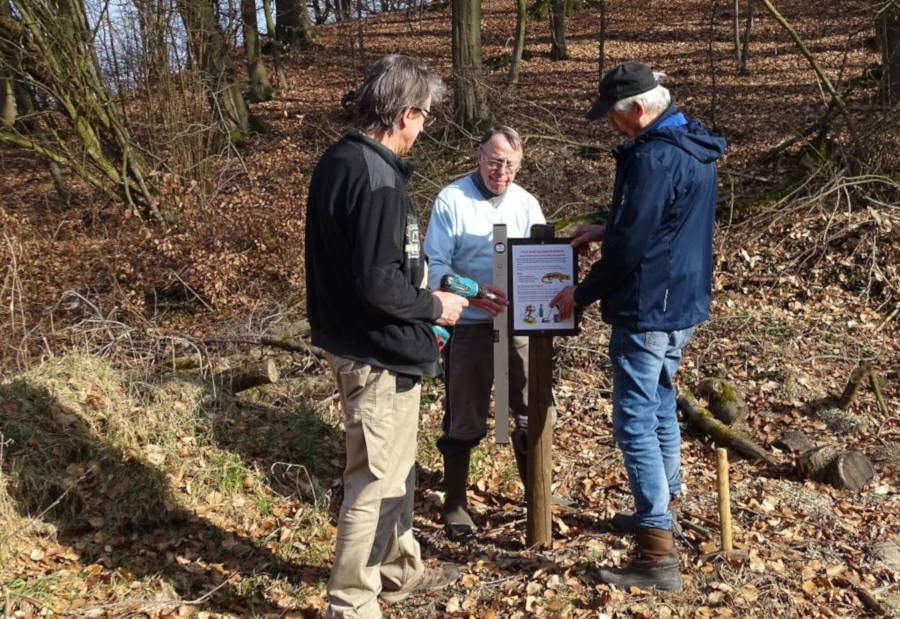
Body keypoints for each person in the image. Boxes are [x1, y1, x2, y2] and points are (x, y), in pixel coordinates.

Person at [551, 61, 726, 591]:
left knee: (632, 422)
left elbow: (632, 248)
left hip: (650, 306)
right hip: (682, 302)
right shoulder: (690, 144)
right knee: (659, 405)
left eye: (613, 115)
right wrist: (605, 228)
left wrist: (579, 294)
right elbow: (662, 222)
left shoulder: (652, 158)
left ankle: (655, 552)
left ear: (638, 108)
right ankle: (665, 502)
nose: (611, 125)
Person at [305, 54, 468, 618]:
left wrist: (426, 278)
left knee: (396, 467)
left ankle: (399, 567)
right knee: (373, 478)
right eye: (423, 117)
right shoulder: (376, 180)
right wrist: (436, 305)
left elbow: (376, 263)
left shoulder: (340, 160)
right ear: (403, 114)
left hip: (366, 343)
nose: (423, 130)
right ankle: (351, 603)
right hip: (375, 350)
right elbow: (377, 285)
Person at [423, 126, 546, 538]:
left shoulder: (527, 205)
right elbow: (433, 268)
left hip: (517, 325)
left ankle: (537, 492)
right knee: (466, 414)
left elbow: (542, 259)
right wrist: (471, 293)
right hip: (469, 326)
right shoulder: (452, 200)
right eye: (494, 162)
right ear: (479, 156)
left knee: (531, 408)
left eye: (510, 164)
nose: (502, 172)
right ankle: (455, 502)